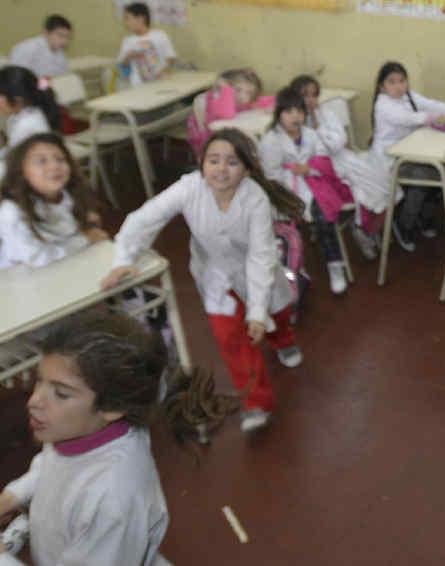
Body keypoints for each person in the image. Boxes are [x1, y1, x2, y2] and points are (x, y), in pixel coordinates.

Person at [102, 129, 306, 433]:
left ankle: (284, 341)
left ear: (247, 169)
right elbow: (145, 219)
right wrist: (123, 260)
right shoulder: (189, 188)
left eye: (232, 162)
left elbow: (261, 258)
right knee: (230, 339)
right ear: (202, 163)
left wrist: (257, 310)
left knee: (274, 315)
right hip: (214, 276)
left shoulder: (256, 199)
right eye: (213, 160)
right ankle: (256, 403)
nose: (221, 169)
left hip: (255, 272)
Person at [0, 311, 237, 565]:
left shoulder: (112, 498)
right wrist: (14, 495)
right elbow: (54, 462)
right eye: (39, 382)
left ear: (112, 408)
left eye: (60, 393)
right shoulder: (78, 429)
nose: (34, 401)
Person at [259, 87, 354, 294]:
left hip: (314, 183)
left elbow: (323, 159)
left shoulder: (310, 134)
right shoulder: (271, 141)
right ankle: (294, 267)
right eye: (289, 112)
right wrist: (291, 188)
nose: (295, 117)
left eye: (300, 112)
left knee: (324, 215)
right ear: (279, 114)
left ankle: (334, 265)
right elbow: (271, 178)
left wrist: (308, 169)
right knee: (289, 226)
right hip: (285, 191)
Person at [290, 74, 389, 260]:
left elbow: (338, 142)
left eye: (313, 95)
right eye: (305, 95)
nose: (310, 100)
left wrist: (318, 127)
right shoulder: (292, 123)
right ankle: (362, 228)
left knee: (382, 183)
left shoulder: (326, 114)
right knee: (358, 189)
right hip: (317, 168)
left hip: (341, 158)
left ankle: (364, 227)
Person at [368, 61, 445, 251]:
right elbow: (407, 118)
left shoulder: (409, 96)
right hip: (391, 159)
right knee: (422, 178)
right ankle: (403, 224)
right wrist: (433, 118)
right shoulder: (383, 105)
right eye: (392, 82)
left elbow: (429, 104)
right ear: (381, 86)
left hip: (411, 152)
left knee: (436, 174)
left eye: (402, 81)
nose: (399, 86)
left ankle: (423, 218)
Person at [0, 133, 106, 269]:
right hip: (22, 277)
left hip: (64, 265)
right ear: (22, 172)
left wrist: (88, 226)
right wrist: (85, 239)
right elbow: (37, 258)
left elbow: (71, 232)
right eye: (41, 161)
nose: (54, 166)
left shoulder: (67, 195)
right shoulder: (11, 211)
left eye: (60, 159)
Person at [188, 68, 274, 156]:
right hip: (209, 143)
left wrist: (272, 107)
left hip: (233, 140)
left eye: (249, 93)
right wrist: (225, 89)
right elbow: (227, 115)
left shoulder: (248, 102)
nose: (242, 96)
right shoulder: (217, 100)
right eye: (238, 90)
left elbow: (273, 100)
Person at [0, 66, 60, 179]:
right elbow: (12, 151)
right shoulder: (19, 116)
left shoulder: (27, 125)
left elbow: (15, 168)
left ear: (18, 100)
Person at [116, 2, 176, 88]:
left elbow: (171, 58)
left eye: (128, 18)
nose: (126, 23)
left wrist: (162, 70)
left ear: (141, 18)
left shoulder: (160, 35)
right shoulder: (127, 41)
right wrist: (128, 57)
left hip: (161, 84)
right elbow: (122, 66)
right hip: (138, 86)